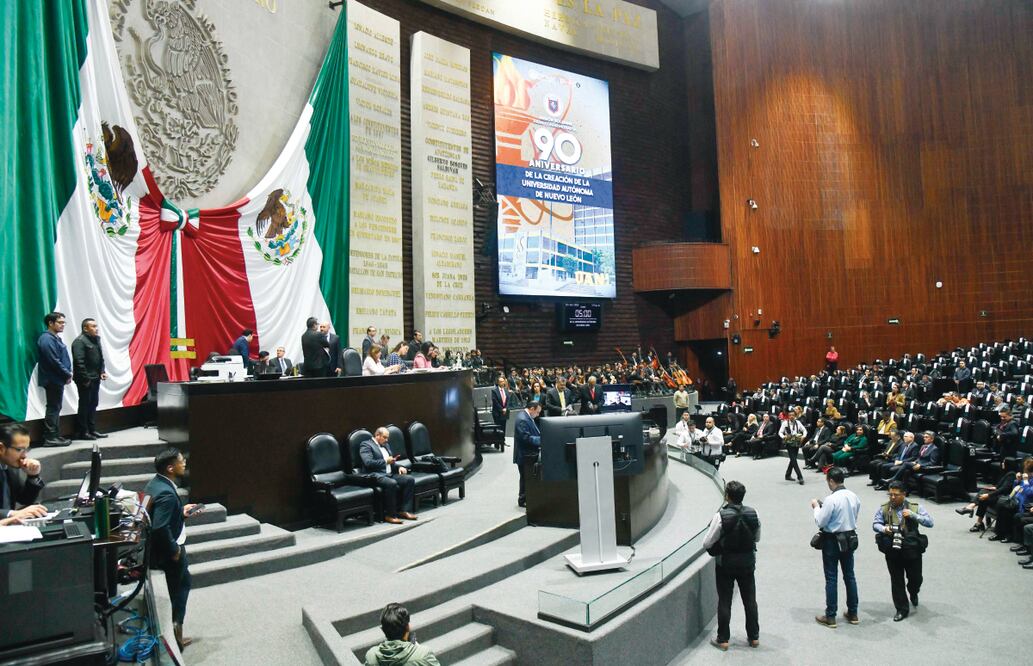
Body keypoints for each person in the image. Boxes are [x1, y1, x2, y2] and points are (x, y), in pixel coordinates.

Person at [143, 448, 205, 651]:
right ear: (170, 468)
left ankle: (174, 631)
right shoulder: (168, 494)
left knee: (183, 583)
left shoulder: (156, 484)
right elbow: (160, 527)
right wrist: (174, 550)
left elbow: (158, 516)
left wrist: (181, 512)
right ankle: (175, 635)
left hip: (157, 549)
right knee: (178, 589)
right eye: (181, 461)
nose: (184, 463)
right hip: (168, 552)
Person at [703, 480, 760, 651]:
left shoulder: (721, 516)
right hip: (748, 563)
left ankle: (723, 639)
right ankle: (754, 637)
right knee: (750, 600)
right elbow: (757, 538)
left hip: (725, 564)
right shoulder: (753, 513)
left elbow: (706, 542)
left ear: (727, 496)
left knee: (725, 601)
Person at [872, 481, 933, 621]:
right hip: (893, 549)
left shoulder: (915, 507)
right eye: (890, 494)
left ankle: (913, 591)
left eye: (896, 494)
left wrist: (913, 515)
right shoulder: (884, 508)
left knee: (916, 578)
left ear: (904, 494)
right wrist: (883, 529)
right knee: (896, 580)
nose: (892, 497)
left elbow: (930, 522)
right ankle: (901, 609)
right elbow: (875, 524)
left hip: (911, 549)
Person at [812, 467, 861, 628]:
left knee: (831, 577)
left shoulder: (831, 499)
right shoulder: (854, 496)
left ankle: (831, 615)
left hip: (832, 540)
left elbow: (821, 521)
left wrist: (816, 507)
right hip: (849, 537)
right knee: (850, 575)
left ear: (831, 481)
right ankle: (853, 613)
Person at [359, 428, 417, 524]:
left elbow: (391, 462)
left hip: (389, 474)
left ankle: (404, 510)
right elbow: (368, 463)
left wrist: (399, 467)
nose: (387, 440)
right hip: (375, 475)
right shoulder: (366, 445)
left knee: (409, 479)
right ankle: (390, 515)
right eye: (385, 437)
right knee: (392, 483)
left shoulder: (386, 445)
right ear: (377, 435)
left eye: (387, 438)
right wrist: (386, 461)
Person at [364, 603, 440, 666]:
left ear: (383, 630)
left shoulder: (371, 656)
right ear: (407, 627)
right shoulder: (424, 654)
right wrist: (416, 647)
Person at [37, 311, 72, 446]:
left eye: (64, 322)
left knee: (56, 406)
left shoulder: (55, 338)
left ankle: (55, 435)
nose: (63, 325)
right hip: (52, 378)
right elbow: (53, 360)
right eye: (60, 322)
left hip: (57, 378)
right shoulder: (46, 339)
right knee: (53, 407)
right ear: (50, 323)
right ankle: (50, 437)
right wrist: (67, 373)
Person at [1, 424, 48, 522]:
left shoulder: (10, 467)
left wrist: (33, 476)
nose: (24, 455)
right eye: (19, 450)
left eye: (26, 449)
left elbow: (24, 499)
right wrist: (11, 513)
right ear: (1, 448)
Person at [71, 317, 108, 440]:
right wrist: (86, 379)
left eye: (96, 326)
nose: (96, 329)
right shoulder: (79, 342)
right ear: (85, 328)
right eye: (93, 326)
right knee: (85, 405)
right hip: (85, 380)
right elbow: (79, 362)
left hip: (95, 378)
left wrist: (102, 371)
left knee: (93, 404)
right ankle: (83, 431)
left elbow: (101, 358)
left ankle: (92, 430)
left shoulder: (96, 340)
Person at [514, 401, 542, 508]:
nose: (538, 414)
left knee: (527, 476)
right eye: (537, 412)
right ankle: (523, 499)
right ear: (532, 408)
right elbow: (525, 438)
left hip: (528, 453)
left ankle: (526, 498)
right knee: (525, 477)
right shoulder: (523, 419)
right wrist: (541, 440)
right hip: (524, 454)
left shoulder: (526, 416)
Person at [779, 411, 807, 484]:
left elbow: (804, 430)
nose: (791, 416)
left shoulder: (798, 422)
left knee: (792, 459)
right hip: (789, 443)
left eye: (793, 415)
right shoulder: (785, 423)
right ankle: (800, 477)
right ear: (788, 416)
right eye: (790, 415)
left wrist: (803, 437)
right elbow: (780, 432)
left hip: (797, 443)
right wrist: (783, 436)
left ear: (795, 416)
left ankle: (787, 475)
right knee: (794, 459)